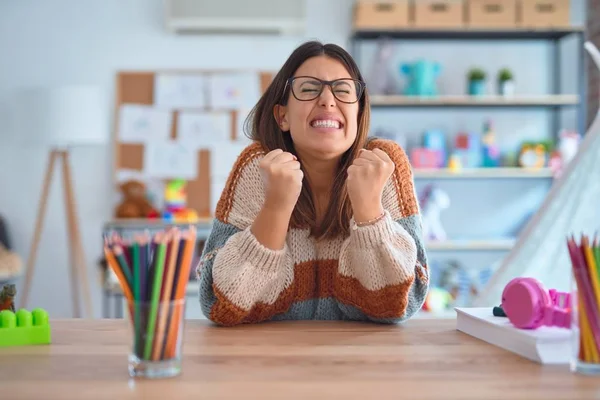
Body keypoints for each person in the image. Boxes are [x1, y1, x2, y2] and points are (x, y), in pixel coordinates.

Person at [196, 40, 429, 326]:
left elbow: (402, 303)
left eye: (343, 90)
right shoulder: (257, 168)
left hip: (364, 361)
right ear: (282, 116)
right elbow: (221, 304)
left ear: (358, 113)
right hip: (269, 360)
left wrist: (370, 212)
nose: (328, 100)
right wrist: (276, 207)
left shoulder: (385, 164)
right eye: (308, 89)